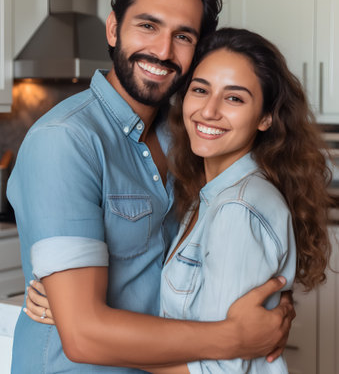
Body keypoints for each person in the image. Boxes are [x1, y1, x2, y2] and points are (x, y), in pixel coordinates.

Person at [8, 0, 295, 374]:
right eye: (148, 26)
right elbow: (84, 335)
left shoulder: (186, 137)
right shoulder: (66, 141)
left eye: (183, 36)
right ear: (112, 29)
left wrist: (271, 307)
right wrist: (236, 338)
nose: (162, 50)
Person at [26, 27, 332, 373]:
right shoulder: (205, 194)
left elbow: (220, 369)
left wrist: (91, 335)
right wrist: (77, 313)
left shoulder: (237, 209)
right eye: (200, 90)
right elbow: (191, 317)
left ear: (266, 117)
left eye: (234, 98)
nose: (209, 111)